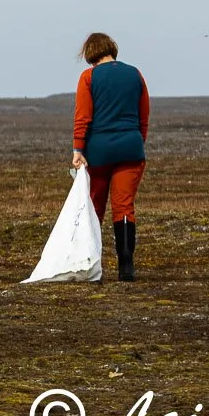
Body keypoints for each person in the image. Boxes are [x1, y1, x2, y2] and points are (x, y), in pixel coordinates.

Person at [69, 32, 149, 281]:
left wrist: (77, 149)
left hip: (99, 151)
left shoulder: (89, 77)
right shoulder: (135, 74)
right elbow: (143, 113)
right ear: (112, 49)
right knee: (124, 206)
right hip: (130, 147)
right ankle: (126, 266)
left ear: (91, 53)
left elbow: (83, 116)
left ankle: (91, 262)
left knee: (95, 207)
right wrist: (136, 140)